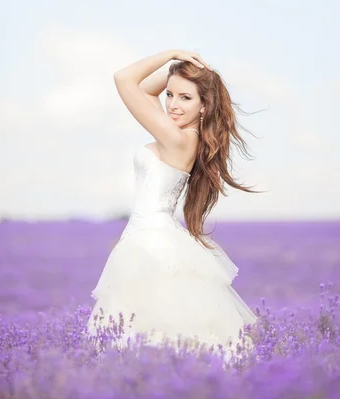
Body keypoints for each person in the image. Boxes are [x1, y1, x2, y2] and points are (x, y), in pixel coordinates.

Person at [86, 49, 261, 356]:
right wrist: (181, 71)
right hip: (150, 239)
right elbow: (145, 90)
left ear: (205, 105)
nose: (173, 105)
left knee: (144, 337)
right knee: (155, 334)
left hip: (150, 245)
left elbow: (124, 79)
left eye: (185, 98)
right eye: (171, 95)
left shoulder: (177, 138)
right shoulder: (178, 133)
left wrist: (171, 55)